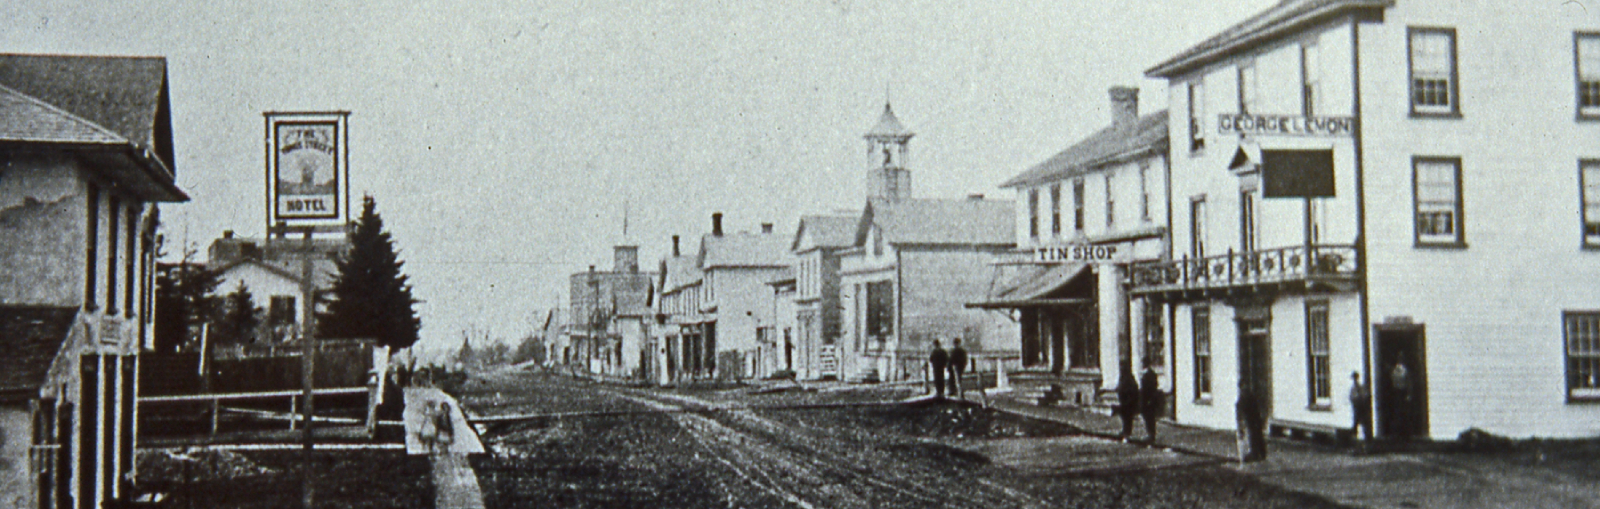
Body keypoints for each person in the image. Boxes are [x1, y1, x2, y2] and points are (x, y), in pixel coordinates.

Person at [1236, 385, 1266, 462]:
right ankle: (1260, 452)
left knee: (1251, 434)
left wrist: (1240, 425)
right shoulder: (1251, 398)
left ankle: (1254, 453)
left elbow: (1240, 414)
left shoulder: (1242, 400)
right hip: (1254, 418)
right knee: (1256, 433)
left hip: (1249, 419)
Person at [1139, 364, 1164, 443]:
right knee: (1148, 417)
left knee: (1149, 418)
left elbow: (1149, 387)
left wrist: (1148, 398)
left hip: (1148, 399)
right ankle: (1150, 434)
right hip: (1148, 399)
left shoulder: (1148, 375)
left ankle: (1151, 434)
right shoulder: (1150, 374)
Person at [1116, 367, 1140, 440]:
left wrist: (1130, 399)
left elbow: (1133, 389)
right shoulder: (1123, 378)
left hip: (1128, 402)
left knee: (1127, 418)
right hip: (1123, 401)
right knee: (1124, 417)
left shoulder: (1129, 379)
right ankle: (1125, 430)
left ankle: (1127, 431)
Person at [1348, 371, 1373, 444]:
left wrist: (1363, 400)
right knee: (1355, 423)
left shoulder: (1361, 387)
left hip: (1362, 407)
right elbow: (1351, 398)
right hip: (1356, 407)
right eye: (1353, 378)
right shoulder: (1353, 389)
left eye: (1355, 378)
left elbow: (1366, 395)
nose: (1355, 380)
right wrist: (1356, 400)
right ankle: (1354, 440)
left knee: (1365, 423)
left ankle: (1367, 440)